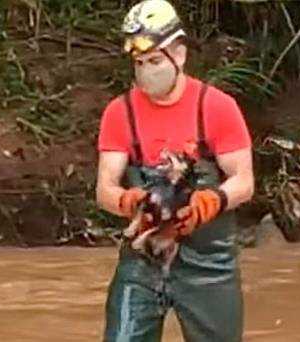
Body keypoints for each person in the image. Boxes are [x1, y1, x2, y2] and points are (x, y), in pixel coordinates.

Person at [95, 1, 254, 341]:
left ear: (179, 54)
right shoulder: (119, 112)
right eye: (139, 63)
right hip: (143, 257)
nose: (146, 71)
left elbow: (244, 181)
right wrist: (130, 201)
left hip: (209, 265)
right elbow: (104, 189)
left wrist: (212, 201)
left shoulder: (217, 107)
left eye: (154, 61)